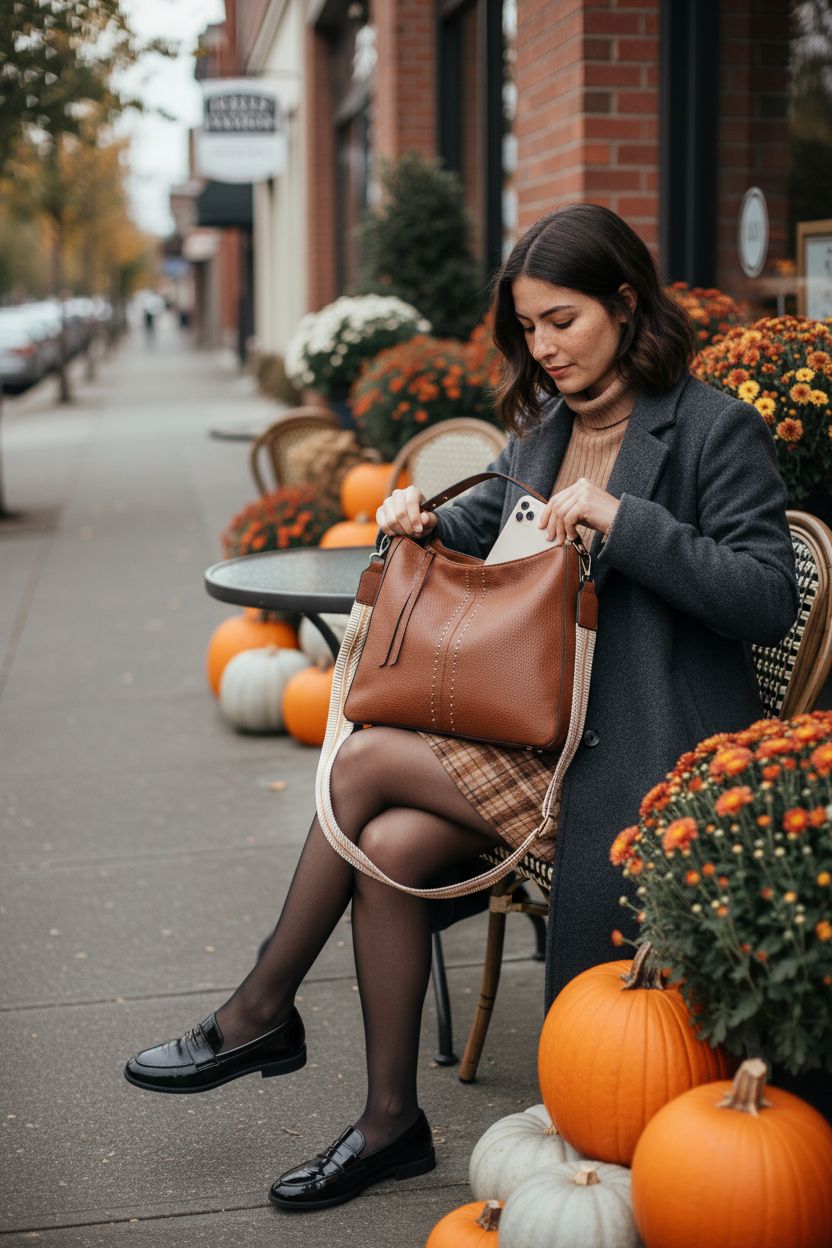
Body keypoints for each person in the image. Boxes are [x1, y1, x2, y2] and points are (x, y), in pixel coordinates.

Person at [124, 204, 798, 1211]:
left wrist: (629, 523)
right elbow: (483, 520)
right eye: (528, 328)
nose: (545, 347)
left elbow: (764, 595)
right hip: (538, 737)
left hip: (635, 763)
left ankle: (261, 1006)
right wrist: (421, 516)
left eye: (562, 321)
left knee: (357, 762)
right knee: (388, 844)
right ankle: (388, 1121)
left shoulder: (711, 429)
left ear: (624, 302)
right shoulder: (546, 431)